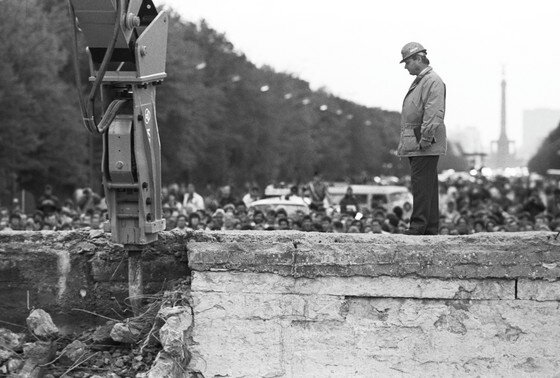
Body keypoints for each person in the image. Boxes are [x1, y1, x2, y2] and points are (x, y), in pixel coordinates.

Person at [398, 42, 447, 235]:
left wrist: (425, 138)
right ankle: (429, 227)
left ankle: (419, 226)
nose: (405, 66)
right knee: (427, 185)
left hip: (422, 142)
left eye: (408, 61)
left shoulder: (431, 81)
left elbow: (433, 112)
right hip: (419, 140)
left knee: (421, 185)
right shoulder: (425, 80)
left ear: (419, 58)